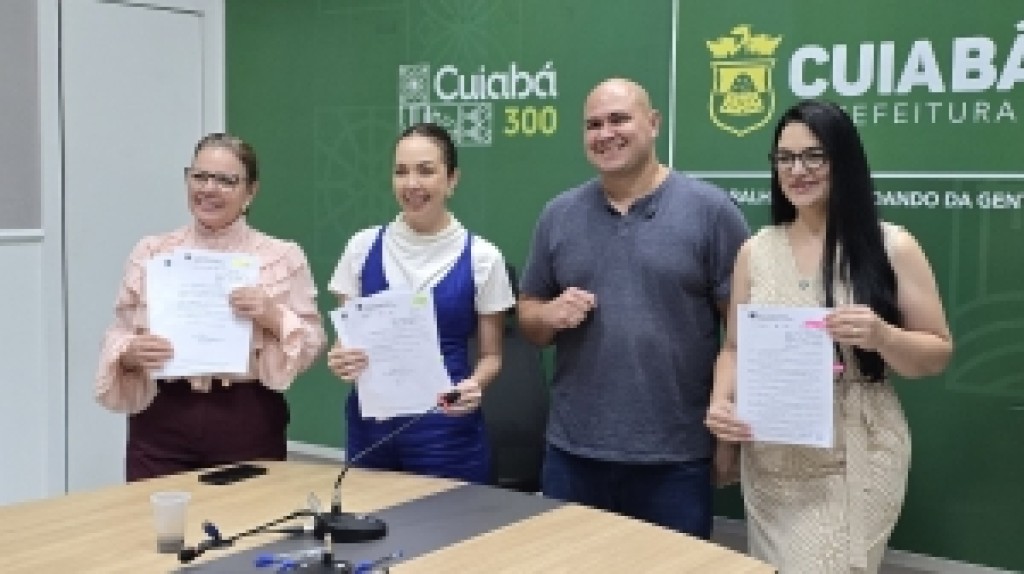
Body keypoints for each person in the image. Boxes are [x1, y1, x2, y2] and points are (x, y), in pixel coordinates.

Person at [704, 100, 953, 573]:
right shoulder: (755, 251)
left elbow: (937, 352)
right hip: (772, 456)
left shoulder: (892, 245)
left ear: (843, 160)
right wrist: (721, 402)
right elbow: (735, 348)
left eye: (814, 156)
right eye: (785, 158)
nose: (798, 170)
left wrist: (883, 336)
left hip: (855, 454)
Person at [517, 78, 750, 538]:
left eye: (619, 119)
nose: (606, 133)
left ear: (654, 123)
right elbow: (529, 315)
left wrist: (728, 438)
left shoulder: (712, 211)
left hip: (676, 457)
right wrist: (547, 315)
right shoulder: (558, 215)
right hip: (573, 454)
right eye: (593, 125)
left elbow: (743, 335)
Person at [95, 133, 327, 481]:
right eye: (199, 176)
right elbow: (119, 331)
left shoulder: (281, 256)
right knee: (154, 514)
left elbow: (312, 345)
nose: (209, 189)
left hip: (245, 416)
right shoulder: (152, 252)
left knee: (247, 515)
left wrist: (272, 315)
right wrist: (130, 353)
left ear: (250, 192)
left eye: (225, 181)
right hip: (162, 416)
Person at [326, 122, 515, 484]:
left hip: (447, 430)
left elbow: (492, 357)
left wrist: (475, 385)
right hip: (371, 428)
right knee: (369, 518)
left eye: (426, 171)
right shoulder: (361, 248)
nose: (411, 184)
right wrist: (340, 358)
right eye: (401, 172)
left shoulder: (483, 257)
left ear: (452, 179)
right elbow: (344, 344)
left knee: (449, 520)